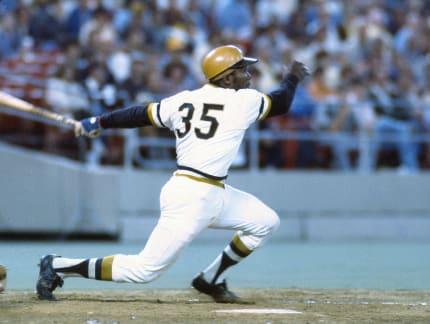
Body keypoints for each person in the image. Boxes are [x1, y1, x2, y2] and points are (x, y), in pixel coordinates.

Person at [36, 45, 309, 303]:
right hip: (191, 197)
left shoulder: (183, 100)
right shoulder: (243, 101)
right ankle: (58, 265)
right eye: (242, 71)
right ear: (227, 79)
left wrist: (99, 121)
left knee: (265, 221)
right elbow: (282, 101)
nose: (248, 76)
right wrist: (293, 77)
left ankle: (210, 278)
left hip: (212, 192)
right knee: (144, 271)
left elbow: (137, 115)